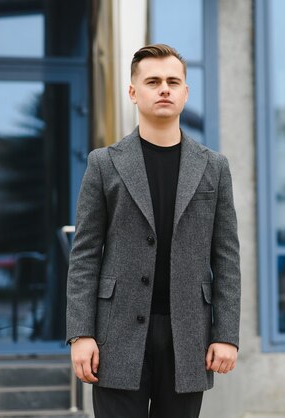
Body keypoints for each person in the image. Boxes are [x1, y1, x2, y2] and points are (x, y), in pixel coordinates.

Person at [66, 44, 241, 418]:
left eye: (173, 81)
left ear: (185, 92)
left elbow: (226, 257)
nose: (164, 88)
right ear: (133, 92)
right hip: (115, 336)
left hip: (188, 337)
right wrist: (81, 334)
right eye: (153, 81)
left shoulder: (214, 168)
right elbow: (84, 254)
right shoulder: (104, 164)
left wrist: (226, 334)